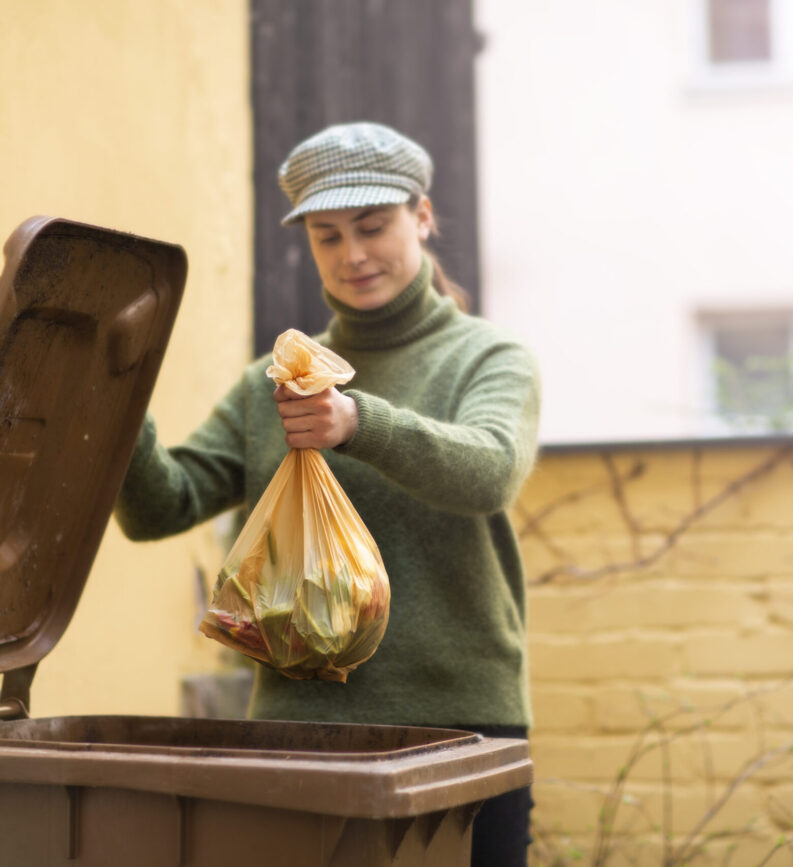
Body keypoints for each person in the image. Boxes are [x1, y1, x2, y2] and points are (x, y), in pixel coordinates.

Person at [114, 121, 541, 866]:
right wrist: (120, 396)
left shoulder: (489, 358)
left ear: (422, 215)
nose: (353, 255)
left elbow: (491, 471)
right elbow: (161, 506)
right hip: (299, 733)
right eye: (327, 235)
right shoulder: (273, 384)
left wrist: (358, 422)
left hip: (461, 732)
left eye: (372, 227)